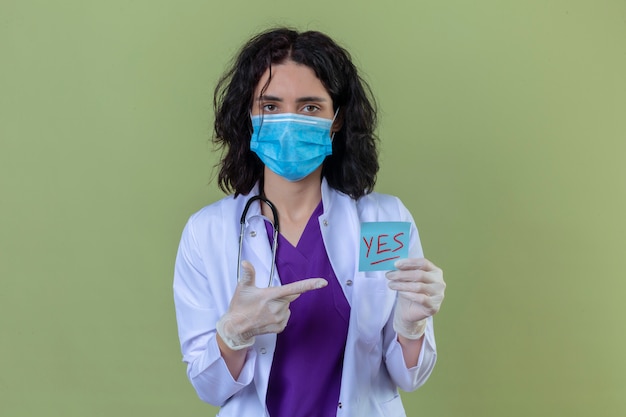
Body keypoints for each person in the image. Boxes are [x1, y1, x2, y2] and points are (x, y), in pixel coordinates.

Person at [173, 27, 446, 417]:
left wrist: (411, 328)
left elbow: (408, 377)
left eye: (309, 107)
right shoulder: (208, 233)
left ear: (336, 119)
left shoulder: (381, 222)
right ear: (247, 116)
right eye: (270, 106)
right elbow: (210, 389)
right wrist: (232, 335)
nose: (289, 122)